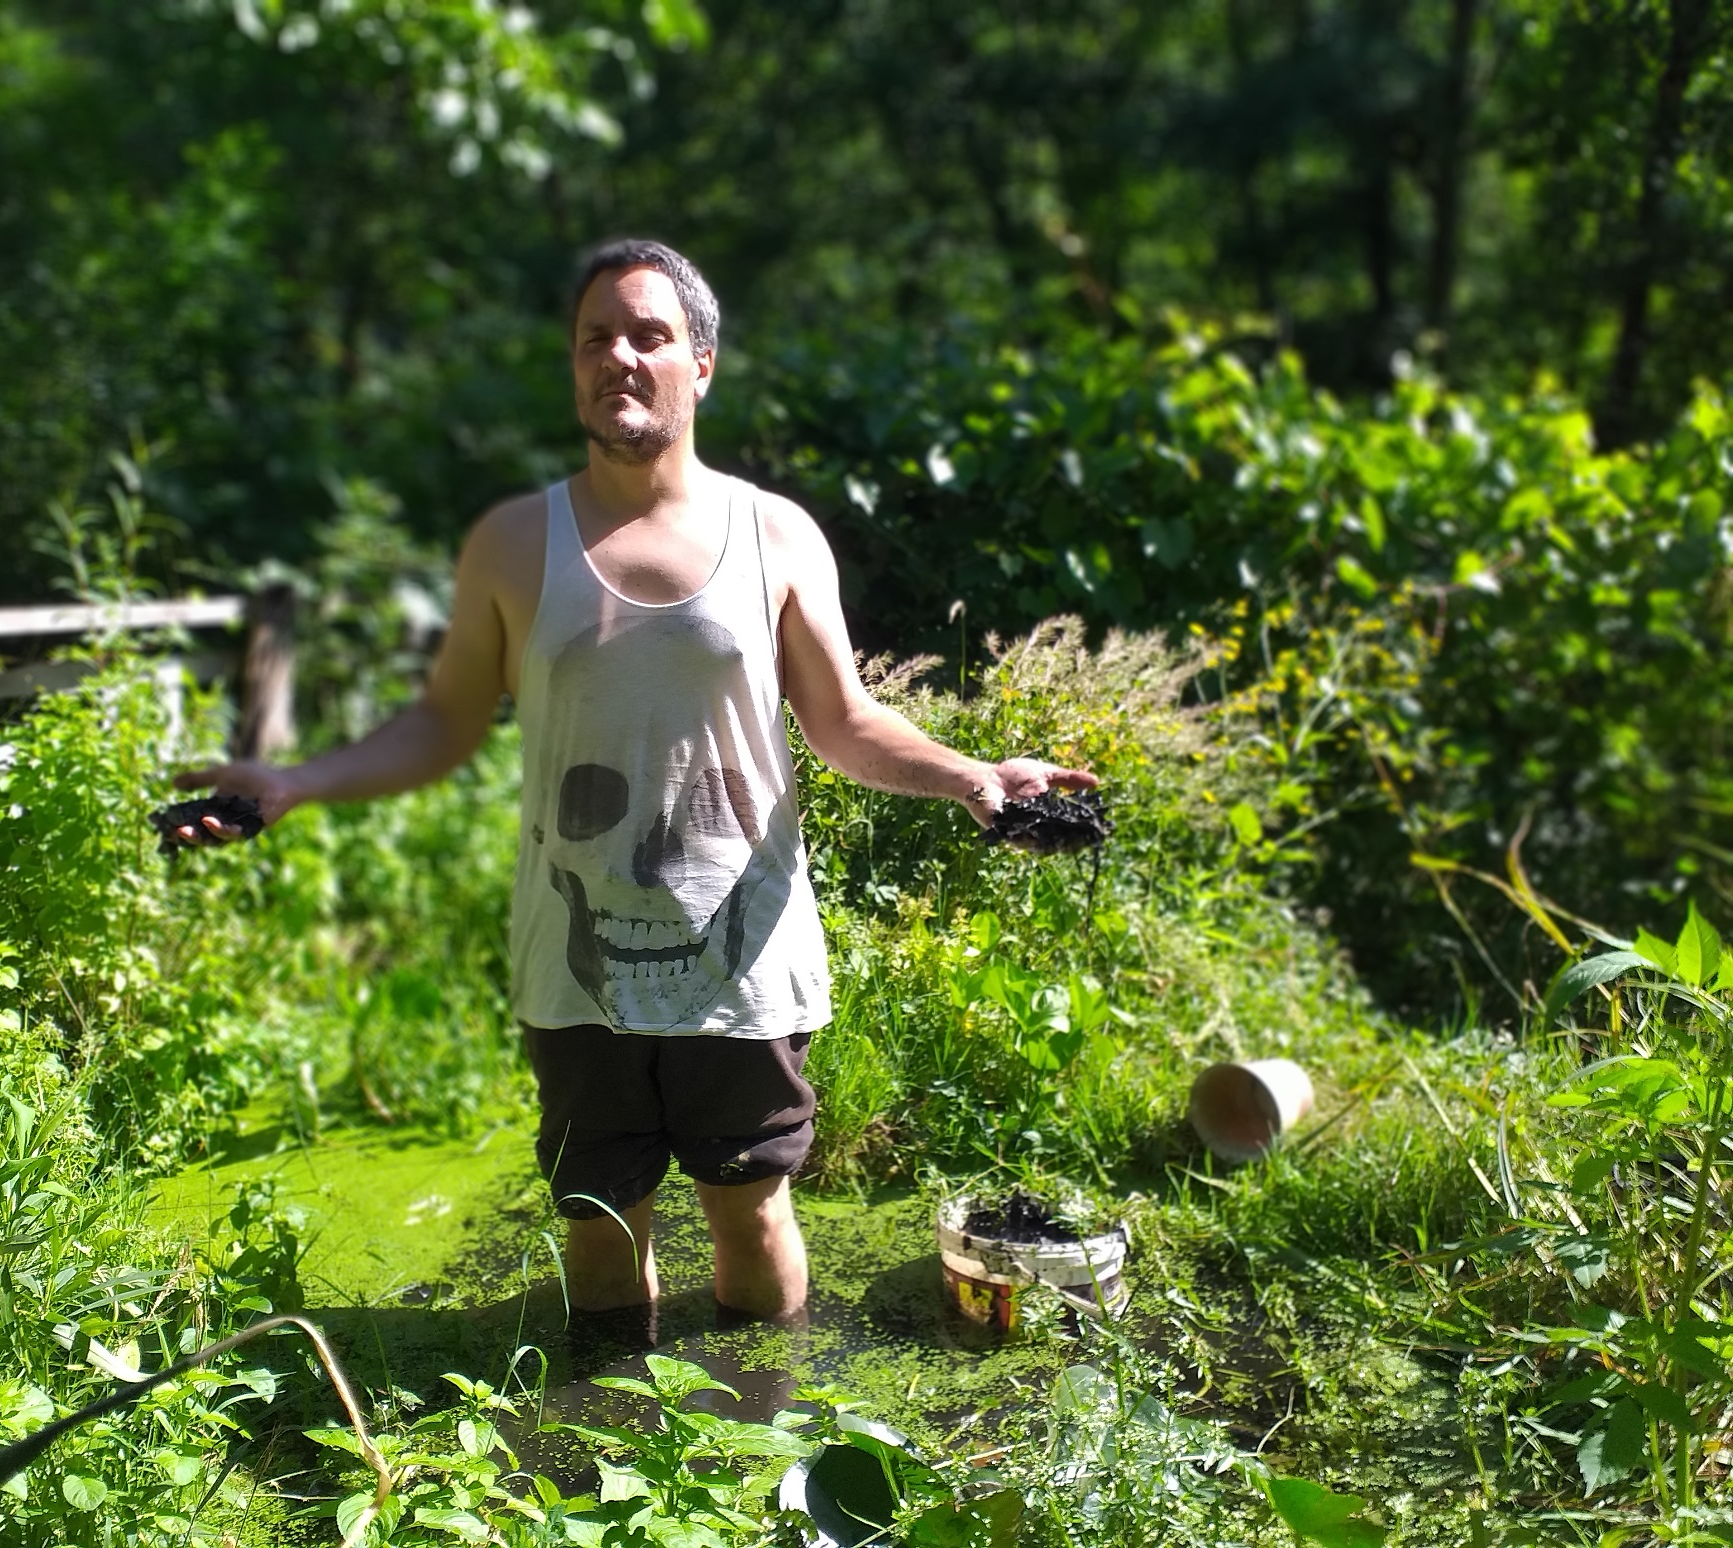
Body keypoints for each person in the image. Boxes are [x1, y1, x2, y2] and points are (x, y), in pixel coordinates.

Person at [173, 238, 1097, 1322]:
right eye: (595, 337)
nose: (620, 354)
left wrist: (970, 777)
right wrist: (294, 782)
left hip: (741, 956)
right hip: (577, 960)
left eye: (649, 334)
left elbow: (845, 721)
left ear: (700, 363)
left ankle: (759, 1454)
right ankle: (599, 1450)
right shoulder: (514, 544)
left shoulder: (778, 536)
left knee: (750, 1219)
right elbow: (441, 723)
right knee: (600, 1235)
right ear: (573, 367)